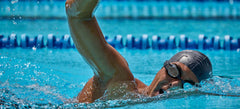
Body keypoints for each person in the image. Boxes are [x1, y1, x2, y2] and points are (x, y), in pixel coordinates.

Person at [65, 0, 212, 103]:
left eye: (187, 84)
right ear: (163, 67)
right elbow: (78, 15)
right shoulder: (119, 80)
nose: (174, 84)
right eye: (175, 72)